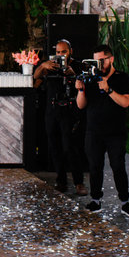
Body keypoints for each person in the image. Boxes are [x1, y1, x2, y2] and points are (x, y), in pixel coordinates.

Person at [75, 44, 129, 217]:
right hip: (93, 131)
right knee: (94, 166)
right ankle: (96, 200)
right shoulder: (91, 78)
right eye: (96, 61)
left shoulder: (122, 78)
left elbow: (125, 102)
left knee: (118, 166)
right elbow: (81, 105)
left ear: (111, 59)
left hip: (115, 132)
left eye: (101, 61)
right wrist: (80, 89)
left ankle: (125, 202)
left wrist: (108, 89)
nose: (99, 65)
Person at [33, 39, 89, 195]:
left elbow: (86, 81)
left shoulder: (77, 65)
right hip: (52, 110)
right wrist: (43, 66)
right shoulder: (50, 66)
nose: (60, 55)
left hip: (69, 111)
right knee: (54, 146)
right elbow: (35, 80)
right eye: (58, 52)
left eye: (63, 52)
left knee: (70, 147)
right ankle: (61, 180)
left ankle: (79, 182)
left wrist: (73, 74)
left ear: (70, 51)